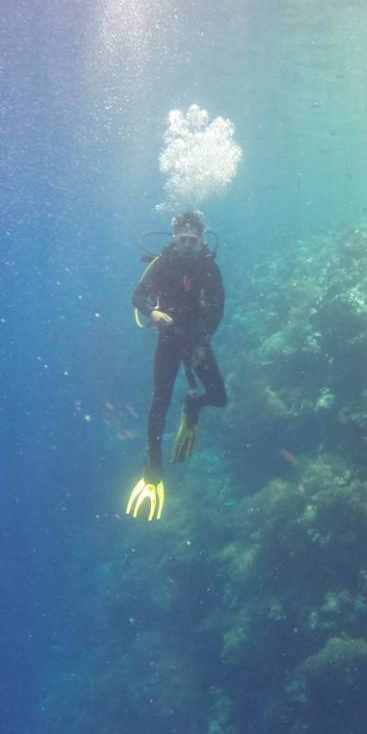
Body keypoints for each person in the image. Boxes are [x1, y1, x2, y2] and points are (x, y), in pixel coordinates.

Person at [125, 211, 227, 521]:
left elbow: (218, 309)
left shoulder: (209, 268)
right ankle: (153, 469)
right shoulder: (162, 264)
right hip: (168, 340)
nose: (186, 246)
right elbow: (138, 296)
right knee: (159, 403)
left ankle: (193, 405)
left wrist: (201, 340)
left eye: (192, 242)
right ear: (174, 238)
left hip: (196, 341)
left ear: (201, 241)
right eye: (182, 240)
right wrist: (152, 314)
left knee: (219, 397)